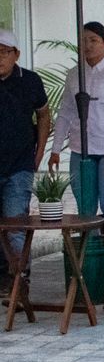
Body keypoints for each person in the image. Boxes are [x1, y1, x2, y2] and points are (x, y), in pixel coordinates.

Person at [48, 22, 104, 234]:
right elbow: (65, 112)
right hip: (81, 150)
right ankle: (92, 252)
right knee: (86, 212)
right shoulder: (74, 74)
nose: (88, 45)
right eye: (83, 41)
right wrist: (55, 149)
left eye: (93, 40)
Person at [0, 29, 50, 270]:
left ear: (16, 54)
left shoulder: (30, 81)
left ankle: (21, 280)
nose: (0, 58)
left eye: (4, 52)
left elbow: (44, 115)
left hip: (20, 165)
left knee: (15, 226)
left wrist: (39, 153)